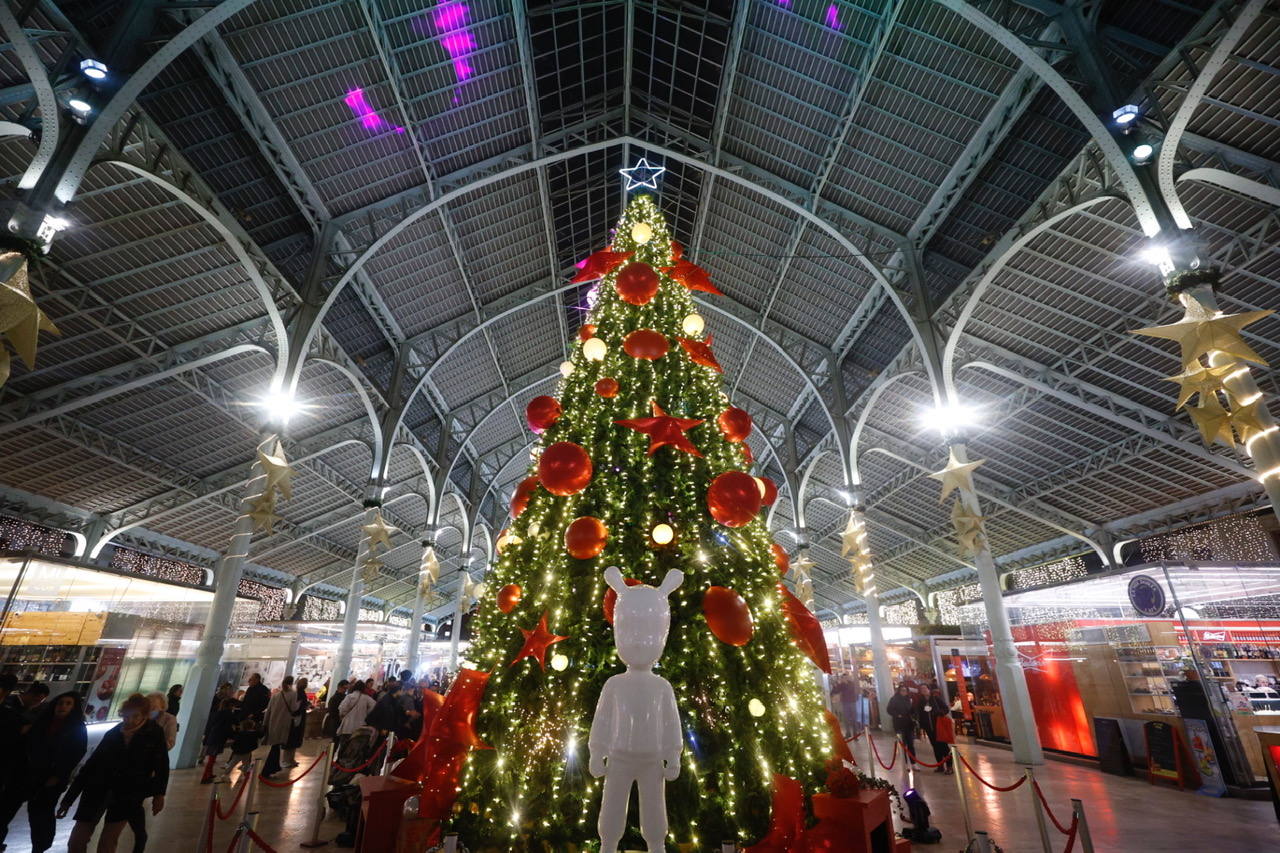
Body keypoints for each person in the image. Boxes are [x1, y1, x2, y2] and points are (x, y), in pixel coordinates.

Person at [59, 693, 167, 853]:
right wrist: (68, 799)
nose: (130, 721)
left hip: (127, 793)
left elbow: (162, 765)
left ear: (144, 715)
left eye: (135, 716)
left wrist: (159, 794)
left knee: (108, 842)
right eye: (126, 716)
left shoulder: (153, 733)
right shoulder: (113, 734)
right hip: (97, 790)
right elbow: (90, 767)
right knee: (77, 840)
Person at [0, 691, 87, 852]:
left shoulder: (75, 728)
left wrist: (58, 775)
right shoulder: (42, 722)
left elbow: (75, 754)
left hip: (48, 780)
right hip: (25, 774)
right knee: (5, 810)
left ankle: (39, 848)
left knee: (40, 818)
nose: (63, 706)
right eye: (61, 703)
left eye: (68, 704)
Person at [261, 676, 298, 777]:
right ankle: (268, 770)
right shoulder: (293, 694)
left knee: (275, 746)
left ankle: (273, 767)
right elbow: (294, 708)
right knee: (276, 747)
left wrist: (265, 723)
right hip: (283, 724)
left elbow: (268, 710)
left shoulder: (276, 695)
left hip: (273, 723)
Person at [201, 698, 237, 784]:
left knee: (212, 758)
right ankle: (205, 776)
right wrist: (233, 735)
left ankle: (209, 774)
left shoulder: (217, 713)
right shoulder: (228, 714)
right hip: (219, 738)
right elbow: (228, 726)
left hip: (213, 736)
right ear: (230, 706)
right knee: (212, 759)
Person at [336, 681, 375, 752]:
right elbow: (374, 706)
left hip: (347, 727)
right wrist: (366, 714)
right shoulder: (366, 698)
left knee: (344, 748)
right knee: (355, 749)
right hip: (360, 728)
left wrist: (343, 715)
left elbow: (341, 709)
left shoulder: (349, 696)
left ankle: (341, 762)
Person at [284, 677, 311, 767]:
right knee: (292, 739)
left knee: (294, 739)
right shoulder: (298, 693)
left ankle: (290, 759)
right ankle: (287, 759)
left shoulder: (298, 693)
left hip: (298, 717)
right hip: (296, 717)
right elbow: (296, 706)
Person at [886, 684, 916, 753]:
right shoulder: (894, 699)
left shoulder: (908, 699)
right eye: (902, 690)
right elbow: (889, 709)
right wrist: (898, 715)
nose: (904, 692)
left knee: (910, 743)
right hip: (899, 724)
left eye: (905, 690)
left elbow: (911, 710)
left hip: (909, 724)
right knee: (903, 743)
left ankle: (913, 761)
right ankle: (904, 761)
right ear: (899, 691)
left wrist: (913, 711)